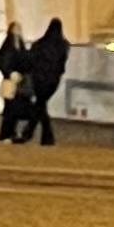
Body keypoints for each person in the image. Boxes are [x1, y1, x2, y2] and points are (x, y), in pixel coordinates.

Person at [22, 16, 69, 146]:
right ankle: (42, 136)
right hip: (53, 82)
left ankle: (32, 133)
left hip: (38, 80)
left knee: (40, 105)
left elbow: (30, 61)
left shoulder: (39, 44)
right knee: (41, 105)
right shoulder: (63, 45)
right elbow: (62, 65)